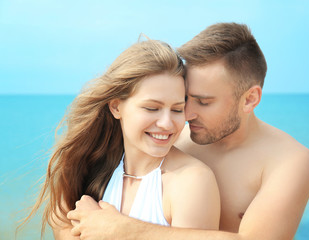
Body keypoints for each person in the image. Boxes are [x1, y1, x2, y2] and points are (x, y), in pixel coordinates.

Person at [67, 23, 309, 240]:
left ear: (250, 99)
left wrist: (124, 231)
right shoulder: (172, 138)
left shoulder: (289, 162)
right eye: (185, 99)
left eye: (204, 101)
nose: (185, 115)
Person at [21, 39, 221, 239]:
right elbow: (61, 227)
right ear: (116, 107)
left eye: (177, 109)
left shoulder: (191, 181)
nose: (167, 124)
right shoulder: (87, 165)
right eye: (152, 108)